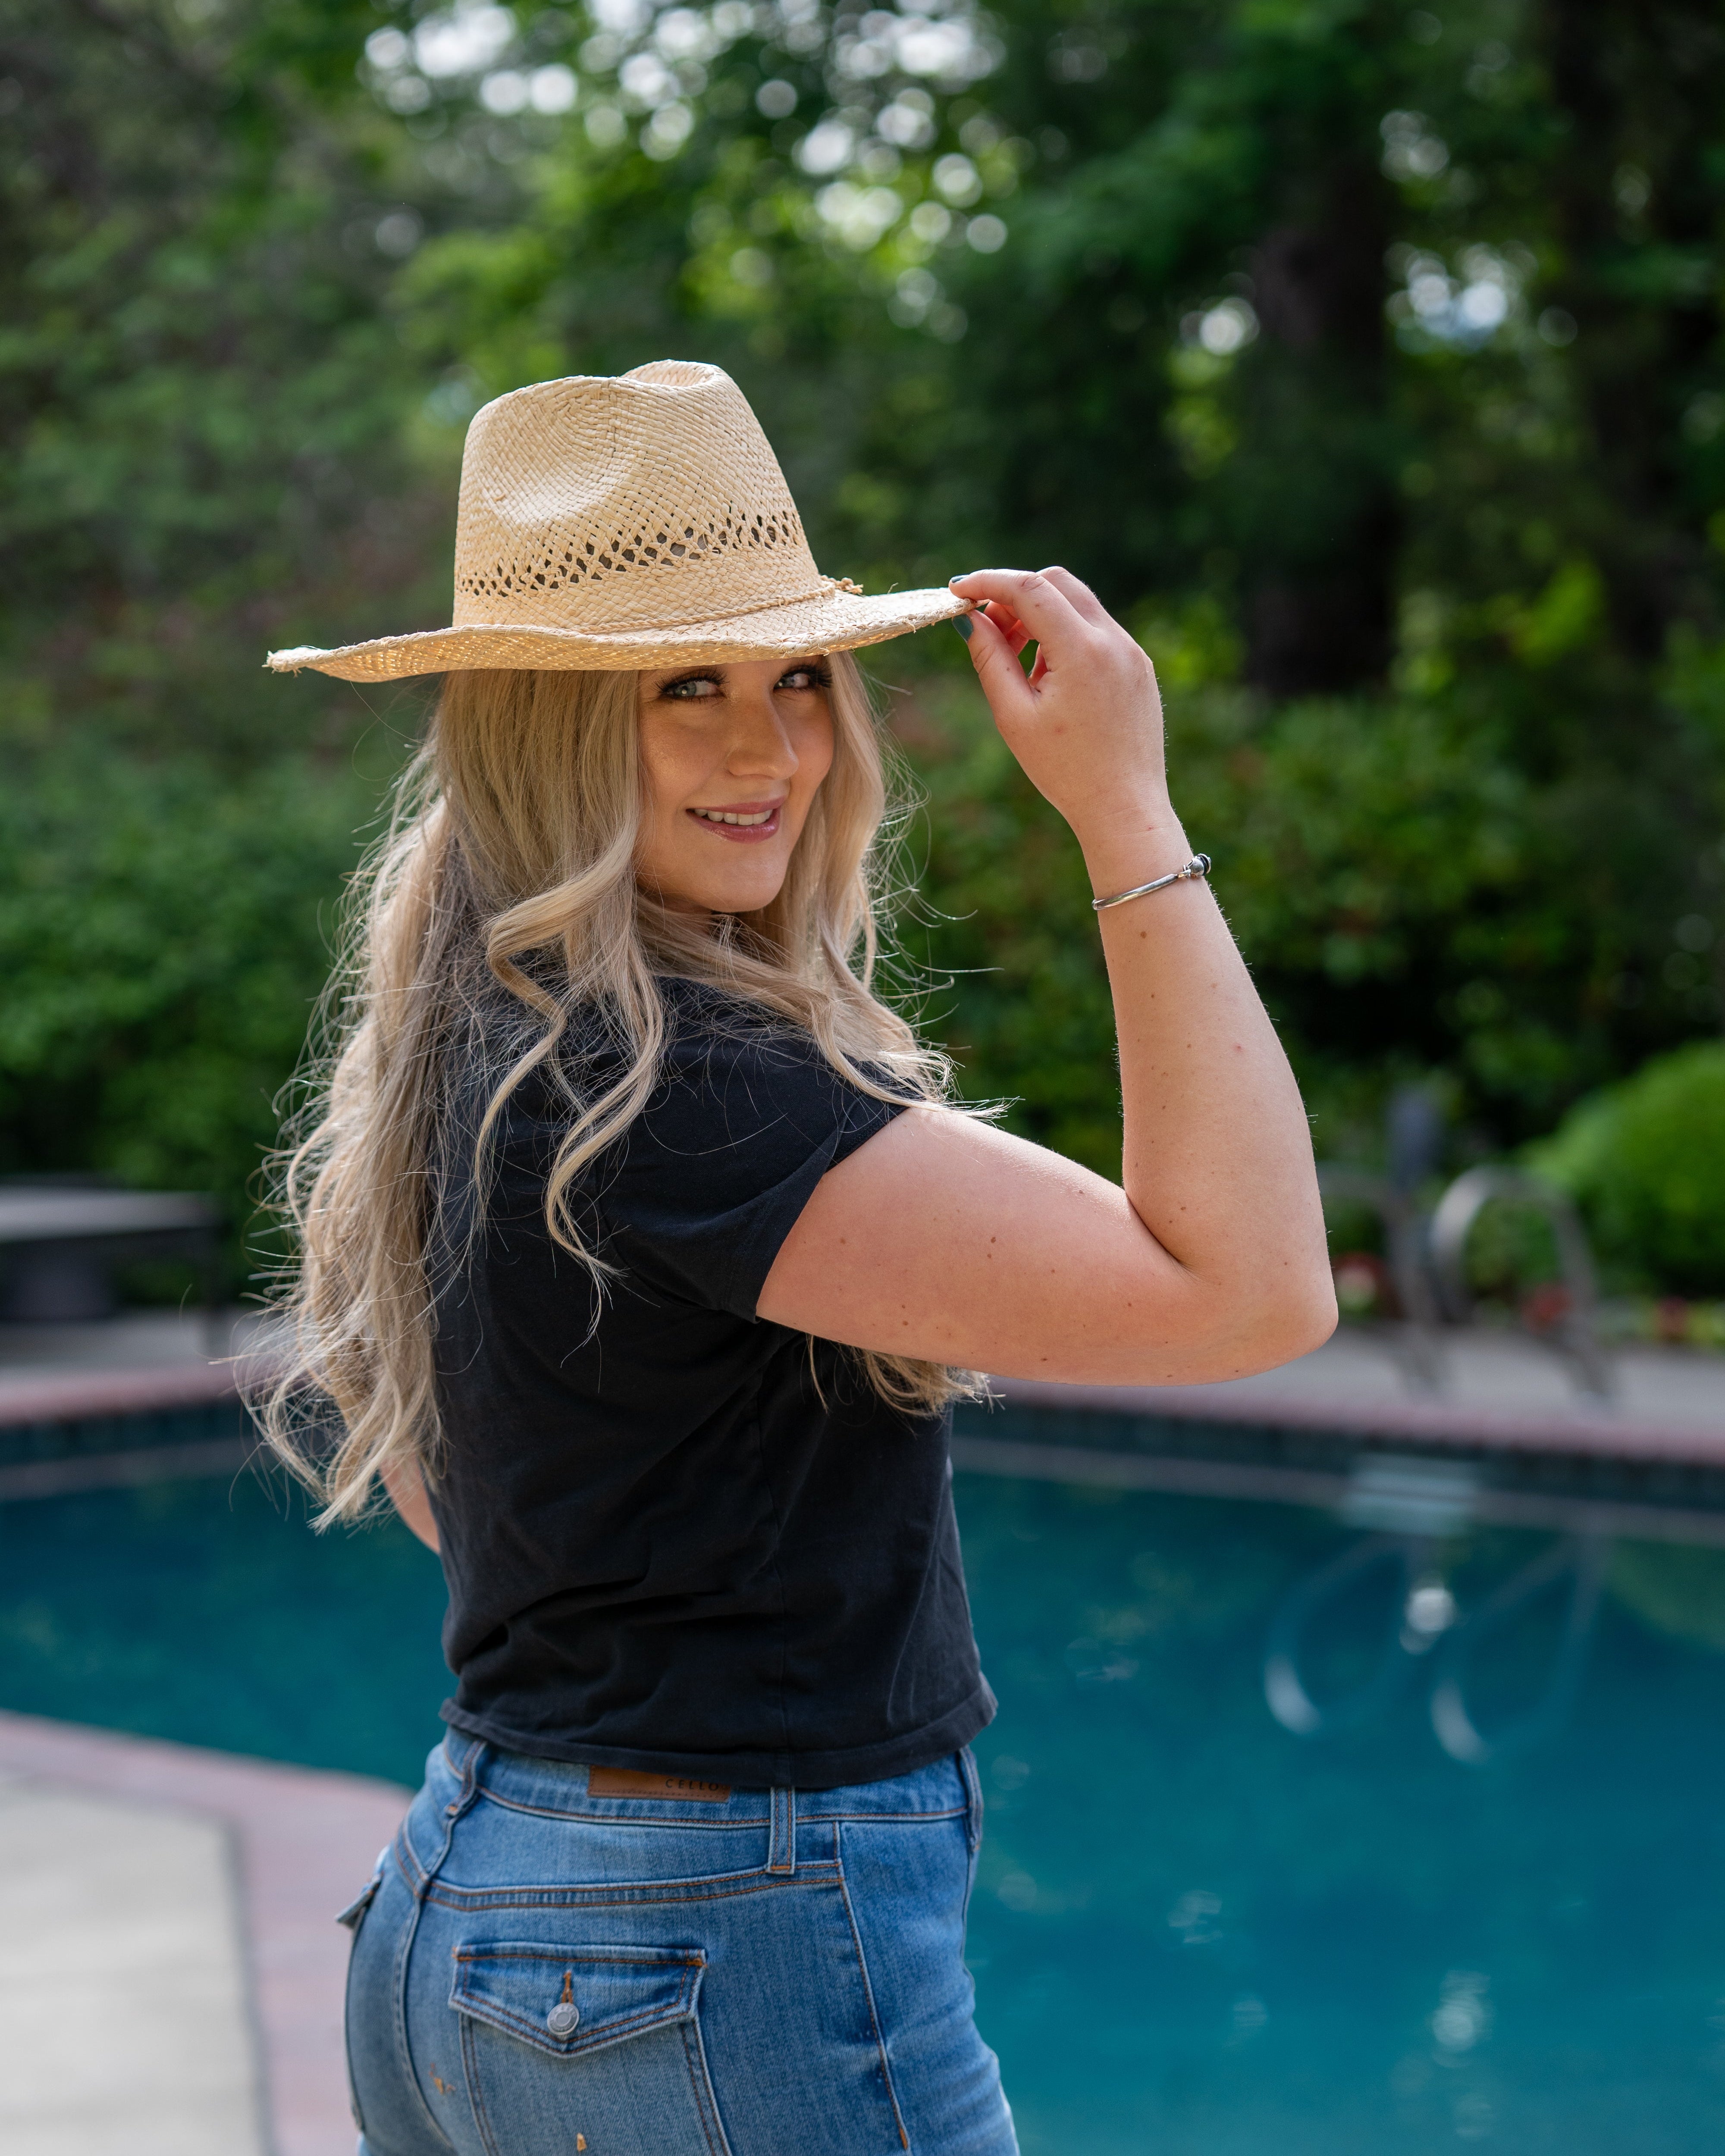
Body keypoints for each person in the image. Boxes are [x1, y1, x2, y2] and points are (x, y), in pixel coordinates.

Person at [256, 360, 1334, 2156]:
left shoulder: (481, 1033)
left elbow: (472, 1496)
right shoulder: (693, 1088)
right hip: (707, 1939)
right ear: (545, 722)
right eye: (683, 686)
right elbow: (1253, 1291)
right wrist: (1126, 814)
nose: (765, 749)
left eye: (797, 679)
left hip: (473, 1904)